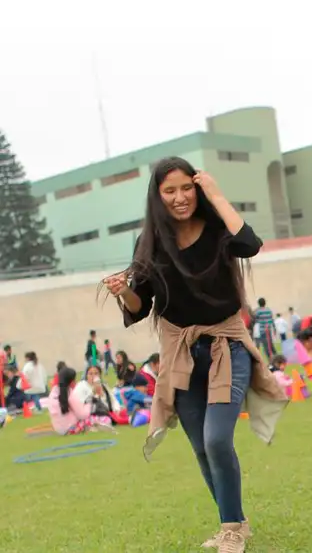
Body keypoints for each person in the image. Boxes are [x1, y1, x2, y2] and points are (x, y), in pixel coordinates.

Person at [101, 156, 287, 553]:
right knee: (201, 447)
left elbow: (249, 244)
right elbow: (139, 307)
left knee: (217, 438)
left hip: (226, 346)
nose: (180, 197)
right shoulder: (150, 243)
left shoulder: (219, 227)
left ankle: (233, 528)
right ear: (158, 195)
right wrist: (123, 290)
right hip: (181, 355)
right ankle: (232, 524)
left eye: (187, 187)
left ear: (198, 187)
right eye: (170, 190)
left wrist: (216, 194)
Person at [46, 366, 113, 435]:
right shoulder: (72, 392)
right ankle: (92, 427)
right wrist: (89, 403)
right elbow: (83, 414)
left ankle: (91, 427)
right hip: (72, 427)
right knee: (106, 419)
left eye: (96, 373)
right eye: (90, 374)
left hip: (59, 430)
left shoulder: (53, 392)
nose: (93, 376)